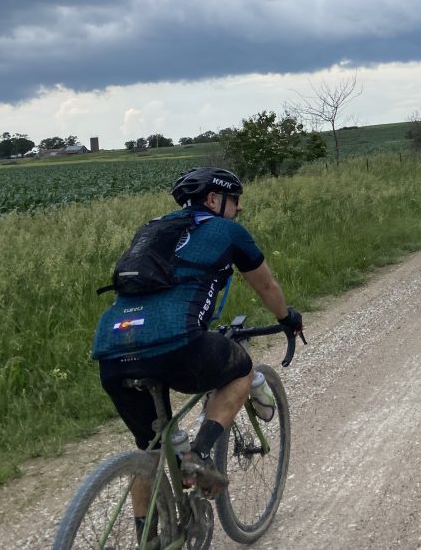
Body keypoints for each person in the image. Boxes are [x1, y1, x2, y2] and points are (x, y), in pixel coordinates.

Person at [91, 167, 303, 542]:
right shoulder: (227, 231)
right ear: (213, 199)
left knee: (150, 448)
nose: (238, 209)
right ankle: (199, 456)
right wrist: (287, 318)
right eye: (235, 200)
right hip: (178, 344)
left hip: (111, 349)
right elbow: (266, 284)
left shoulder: (152, 229)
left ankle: (148, 540)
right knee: (240, 369)